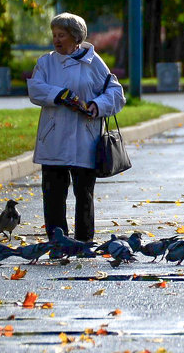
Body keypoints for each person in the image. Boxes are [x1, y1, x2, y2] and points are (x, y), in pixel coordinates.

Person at [28, 12, 125, 241]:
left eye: (61, 35)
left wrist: (96, 105)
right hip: (53, 140)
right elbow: (35, 89)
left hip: (86, 140)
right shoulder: (46, 62)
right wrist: (59, 95)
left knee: (84, 194)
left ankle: (84, 242)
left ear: (75, 37)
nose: (56, 40)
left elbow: (116, 93)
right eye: (54, 35)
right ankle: (57, 241)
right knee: (53, 195)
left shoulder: (94, 63)